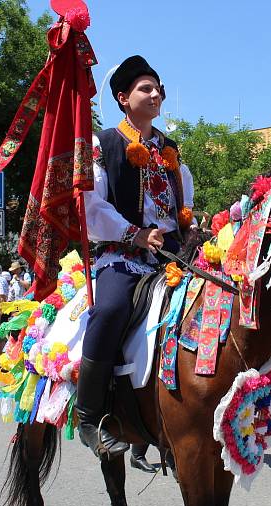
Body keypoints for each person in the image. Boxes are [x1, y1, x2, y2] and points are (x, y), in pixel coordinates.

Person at [77, 55, 195, 459]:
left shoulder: (169, 149)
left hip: (173, 256)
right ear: (124, 98)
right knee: (110, 308)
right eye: (147, 88)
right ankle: (89, 415)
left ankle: (174, 418)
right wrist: (136, 234)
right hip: (122, 252)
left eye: (158, 88)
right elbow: (92, 208)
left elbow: (183, 202)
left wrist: (191, 229)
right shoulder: (103, 143)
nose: (156, 94)